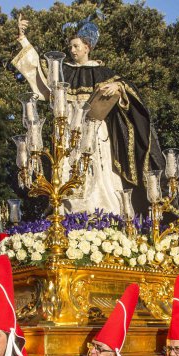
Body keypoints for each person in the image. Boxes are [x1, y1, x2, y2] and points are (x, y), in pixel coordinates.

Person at [13, 15, 165, 215]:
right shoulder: (62, 72)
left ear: (87, 47)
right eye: (71, 47)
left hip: (97, 129)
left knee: (100, 169)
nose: (72, 50)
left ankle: (105, 212)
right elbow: (39, 72)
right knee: (67, 166)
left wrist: (118, 88)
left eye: (76, 46)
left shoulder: (103, 72)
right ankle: (67, 212)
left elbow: (129, 93)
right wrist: (23, 38)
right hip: (68, 130)